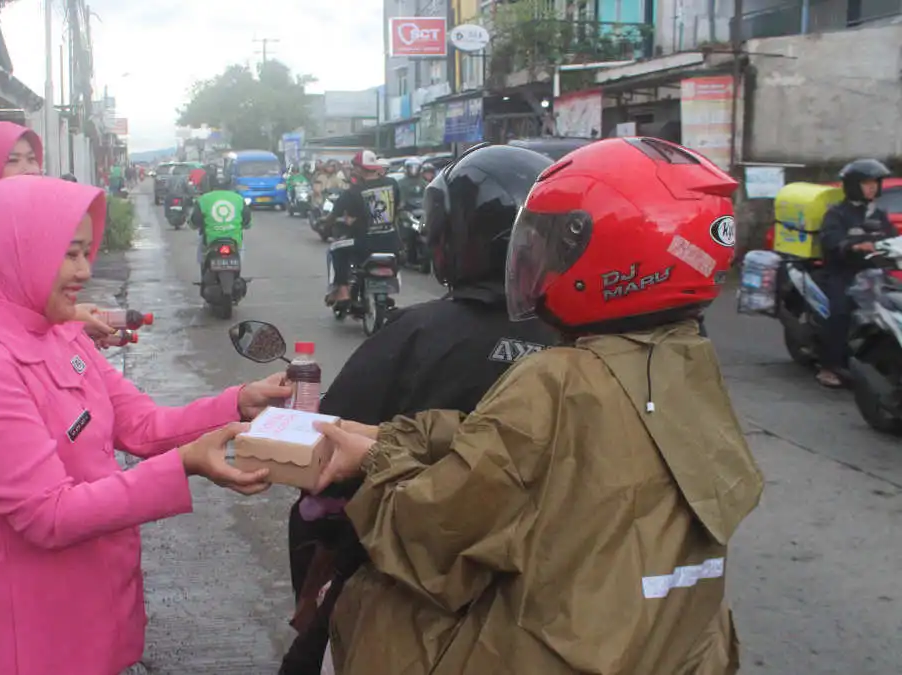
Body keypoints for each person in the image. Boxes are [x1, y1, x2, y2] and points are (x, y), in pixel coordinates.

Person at [311, 137, 764, 674]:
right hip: (670, 648)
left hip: (551, 654)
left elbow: (430, 537)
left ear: (614, 254)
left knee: (372, 597)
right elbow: (534, 454)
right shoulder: (688, 365)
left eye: (553, 244)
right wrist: (390, 441)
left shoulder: (560, 379)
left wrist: (378, 465)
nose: (536, 259)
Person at [0, 175, 289, 675]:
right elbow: (48, 515)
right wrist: (183, 465)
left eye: (85, 252)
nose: (83, 270)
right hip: (27, 629)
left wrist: (238, 402)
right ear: (11, 252)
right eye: (67, 253)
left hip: (89, 600)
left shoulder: (58, 332)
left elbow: (140, 424)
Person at [278, 144, 560, 675]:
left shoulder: (418, 333)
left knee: (314, 512)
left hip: (418, 573)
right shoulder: (587, 339)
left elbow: (328, 450)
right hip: (555, 580)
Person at [0, 122, 120, 348]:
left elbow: (36, 301)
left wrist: (68, 316)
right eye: (13, 161)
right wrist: (69, 318)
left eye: (32, 159)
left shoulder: (26, 225)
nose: (29, 169)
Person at [816, 159, 895, 388]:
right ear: (852, 185)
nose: (872, 187)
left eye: (875, 183)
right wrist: (851, 246)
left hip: (873, 273)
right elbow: (830, 240)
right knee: (841, 312)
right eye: (866, 183)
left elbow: (891, 239)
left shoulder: (878, 214)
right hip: (843, 273)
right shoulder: (837, 214)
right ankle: (828, 367)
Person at [324, 150, 401, 306]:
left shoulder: (352, 192)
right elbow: (398, 208)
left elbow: (338, 217)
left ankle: (343, 291)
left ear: (359, 169)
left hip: (364, 244)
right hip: (392, 244)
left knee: (336, 249)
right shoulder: (392, 184)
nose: (353, 170)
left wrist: (327, 225)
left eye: (354, 167)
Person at [190, 173, 251, 266]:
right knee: (240, 249)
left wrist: (193, 225)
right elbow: (247, 220)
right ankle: (238, 264)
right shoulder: (238, 198)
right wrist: (245, 225)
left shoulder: (203, 199)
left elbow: (195, 221)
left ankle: (203, 266)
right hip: (234, 240)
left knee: (201, 251)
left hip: (211, 240)